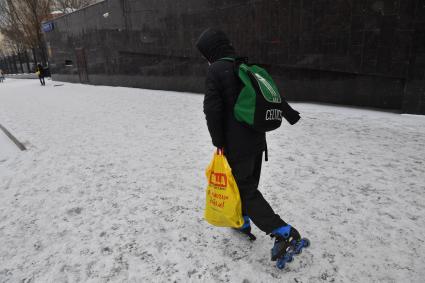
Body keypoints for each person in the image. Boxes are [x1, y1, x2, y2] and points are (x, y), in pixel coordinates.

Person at [196, 28, 308, 266]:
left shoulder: (216, 70)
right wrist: (289, 114)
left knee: (245, 191)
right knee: (247, 186)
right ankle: (242, 221)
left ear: (211, 50)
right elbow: (271, 95)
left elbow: (212, 110)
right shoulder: (244, 66)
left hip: (236, 146)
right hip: (257, 141)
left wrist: (218, 143)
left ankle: (283, 232)